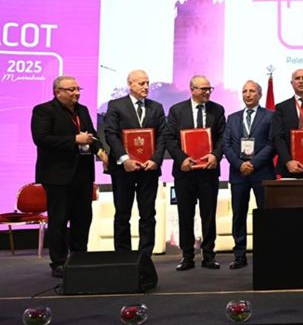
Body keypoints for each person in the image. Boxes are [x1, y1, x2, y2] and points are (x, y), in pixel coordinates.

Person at [31, 76, 108, 278]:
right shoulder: (44, 110)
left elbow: (91, 135)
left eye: (78, 89)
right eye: (71, 89)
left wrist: (100, 150)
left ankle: (79, 258)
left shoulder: (82, 110)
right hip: (57, 176)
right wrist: (74, 139)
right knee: (58, 220)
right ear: (57, 92)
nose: (76, 93)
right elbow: (42, 139)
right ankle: (59, 262)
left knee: (83, 219)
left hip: (83, 175)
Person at [164, 75, 226, 271]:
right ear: (192, 89)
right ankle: (187, 256)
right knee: (185, 215)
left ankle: (209, 256)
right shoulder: (177, 110)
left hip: (209, 172)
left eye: (209, 89)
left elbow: (223, 137)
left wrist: (215, 155)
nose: (207, 92)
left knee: (208, 215)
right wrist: (181, 159)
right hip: (185, 172)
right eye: (203, 89)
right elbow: (169, 139)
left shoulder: (217, 110)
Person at [103, 69, 166, 257]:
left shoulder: (156, 107)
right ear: (130, 84)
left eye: (147, 83)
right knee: (122, 214)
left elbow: (163, 135)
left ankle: (145, 255)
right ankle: (123, 256)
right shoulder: (116, 105)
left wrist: (155, 159)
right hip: (123, 169)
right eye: (141, 83)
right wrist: (125, 159)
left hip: (149, 169)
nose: (146, 86)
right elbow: (111, 134)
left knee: (148, 214)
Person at [223, 80, 275, 269]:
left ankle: (267, 253)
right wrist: (240, 164)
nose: (248, 94)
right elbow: (226, 145)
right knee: (239, 215)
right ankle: (239, 255)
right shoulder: (232, 118)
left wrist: (253, 163)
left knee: (265, 214)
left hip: (262, 173)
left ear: (259, 94)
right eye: (245, 91)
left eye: (252, 91)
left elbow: (272, 144)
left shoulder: (270, 116)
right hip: (239, 174)